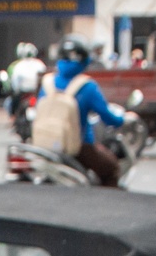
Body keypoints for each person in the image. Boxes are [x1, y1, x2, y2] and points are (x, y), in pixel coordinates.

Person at [43, 35, 126, 186]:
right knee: (112, 168)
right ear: (85, 59)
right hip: (79, 148)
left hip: (45, 146)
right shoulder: (87, 86)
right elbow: (108, 117)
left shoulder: (47, 83)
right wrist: (120, 120)